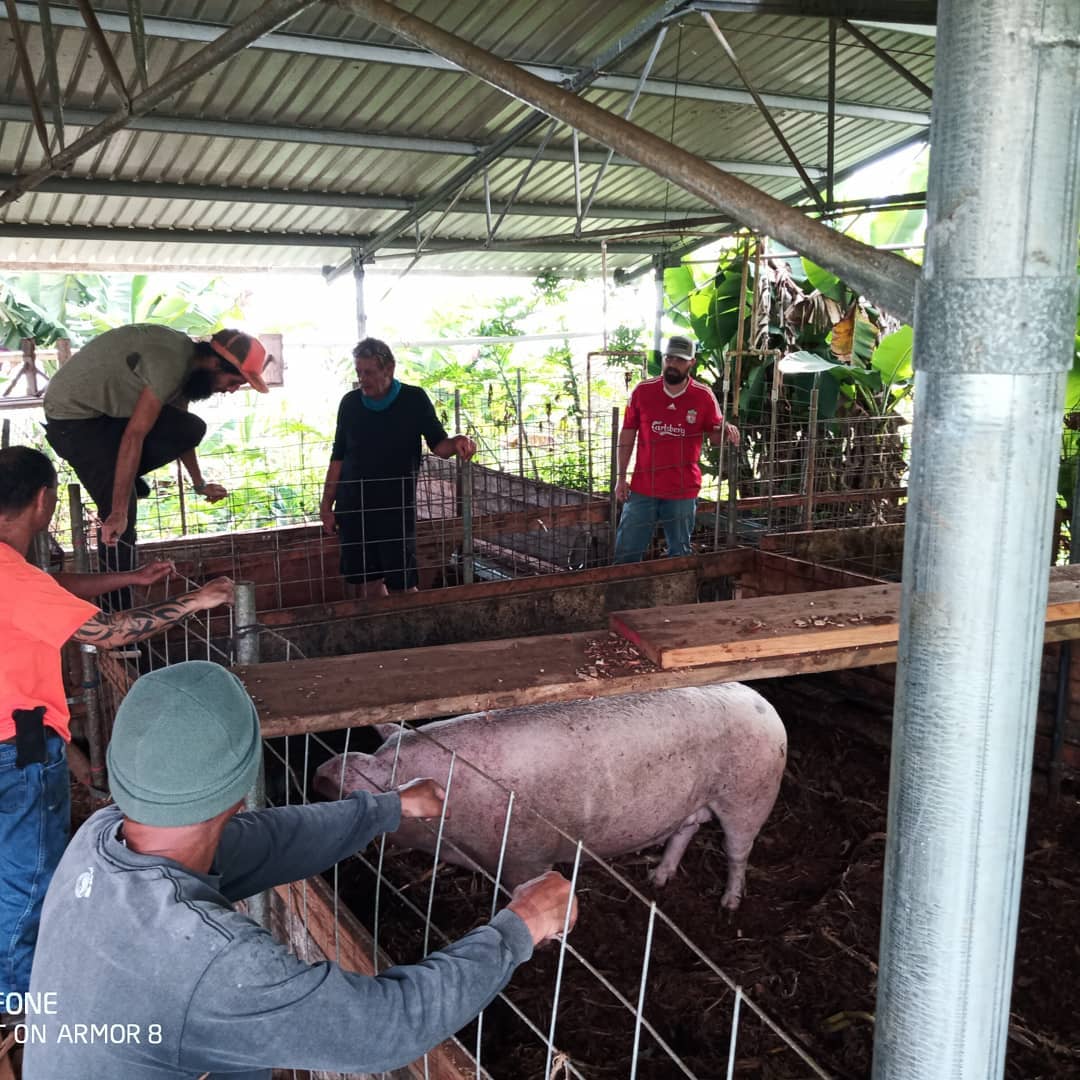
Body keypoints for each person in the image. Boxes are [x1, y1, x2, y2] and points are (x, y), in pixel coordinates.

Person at [24, 661, 577, 1079]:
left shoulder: (99, 837)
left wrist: (385, 809)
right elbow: (386, 1028)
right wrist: (520, 926)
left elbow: (264, 842)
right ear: (241, 791)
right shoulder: (211, 960)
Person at [0, 446, 235, 1012]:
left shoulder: (16, 572)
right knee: (28, 881)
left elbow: (50, 588)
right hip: (15, 747)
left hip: (16, 737)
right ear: (42, 501)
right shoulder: (10, 574)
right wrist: (195, 601)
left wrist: (131, 576)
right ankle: (21, 1008)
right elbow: (107, 634)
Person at [43, 324, 270, 607]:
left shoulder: (187, 366)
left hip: (104, 419)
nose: (233, 390)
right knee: (121, 513)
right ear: (215, 364)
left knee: (191, 428)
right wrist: (118, 509)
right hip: (73, 422)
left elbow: (180, 430)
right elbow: (135, 435)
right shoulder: (170, 364)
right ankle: (116, 613)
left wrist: (199, 484)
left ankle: (124, 479)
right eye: (235, 381)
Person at [320, 337, 476, 597]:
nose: (363, 379)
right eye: (359, 372)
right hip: (354, 506)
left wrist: (459, 441)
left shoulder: (413, 400)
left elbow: (439, 445)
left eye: (369, 372)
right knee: (368, 582)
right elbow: (338, 457)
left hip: (395, 507)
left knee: (402, 582)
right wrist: (327, 505)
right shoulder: (350, 404)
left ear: (389, 369)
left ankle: (413, 622)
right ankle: (383, 623)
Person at [613, 335, 740, 563]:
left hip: (682, 489)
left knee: (679, 553)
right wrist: (621, 478)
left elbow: (714, 436)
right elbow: (627, 432)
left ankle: (676, 586)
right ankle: (624, 586)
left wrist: (725, 432)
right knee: (626, 552)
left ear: (692, 362)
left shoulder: (703, 396)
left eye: (680, 360)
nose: (672, 364)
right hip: (643, 487)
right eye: (669, 358)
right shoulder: (643, 391)